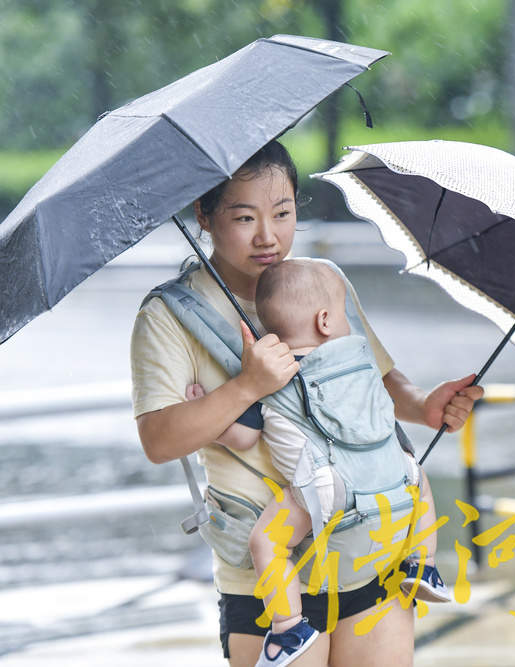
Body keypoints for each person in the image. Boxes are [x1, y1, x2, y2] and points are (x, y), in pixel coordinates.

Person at [131, 140, 483, 667]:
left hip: (369, 547)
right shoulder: (170, 315)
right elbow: (159, 441)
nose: (268, 236)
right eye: (245, 217)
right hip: (269, 580)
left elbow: (374, 381)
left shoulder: (324, 283)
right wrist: (246, 387)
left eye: (283, 212)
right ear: (203, 214)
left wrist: (425, 405)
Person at [186, 258, 452, 666]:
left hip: (328, 488)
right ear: (326, 320)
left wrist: (206, 409)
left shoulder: (271, 374)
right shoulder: (364, 362)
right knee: (421, 478)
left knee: (267, 543)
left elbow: (242, 437)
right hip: (396, 477)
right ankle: (425, 564)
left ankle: (289, 627)